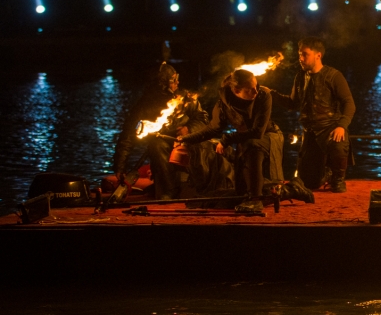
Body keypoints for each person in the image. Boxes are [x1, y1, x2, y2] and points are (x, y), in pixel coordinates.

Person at [179, 69, 284, 214]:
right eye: (250, 89)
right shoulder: (223, 104)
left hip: (269, 136)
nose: (256, 91)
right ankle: (293, 189)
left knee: (252, 146)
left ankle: (255, 201)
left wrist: (227, 139)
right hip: (244, 140)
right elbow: (212, 129)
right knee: (240, 192)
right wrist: (187, 139)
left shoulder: (263, 95)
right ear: (236, 90)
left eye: (256, 86)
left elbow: (258, 131)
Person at [113, 62, 208, 200]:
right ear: (162, 84)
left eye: (177, 78)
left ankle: (202, 186)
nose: (177, 82)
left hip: (188, 143)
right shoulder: (145, 105)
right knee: (156, 145)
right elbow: (128, 136)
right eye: (173, 80)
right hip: (163, 147)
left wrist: (189, 129)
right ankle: (169, 191)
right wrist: (120, 167)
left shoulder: (185, 99)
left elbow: (203, 119)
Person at [272, 37, 356, 192]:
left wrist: (342, 126)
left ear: (318, 55)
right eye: (299, 55)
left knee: (338, 143)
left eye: (305, 54)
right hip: (309, 132)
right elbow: (293, 103)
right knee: (308, 184)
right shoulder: (300, 77)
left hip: (330, 127)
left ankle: (337, 178)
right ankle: (325, 172)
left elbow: (349, 103)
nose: (301, 59)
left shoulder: (333, 76)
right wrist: (271, 94)